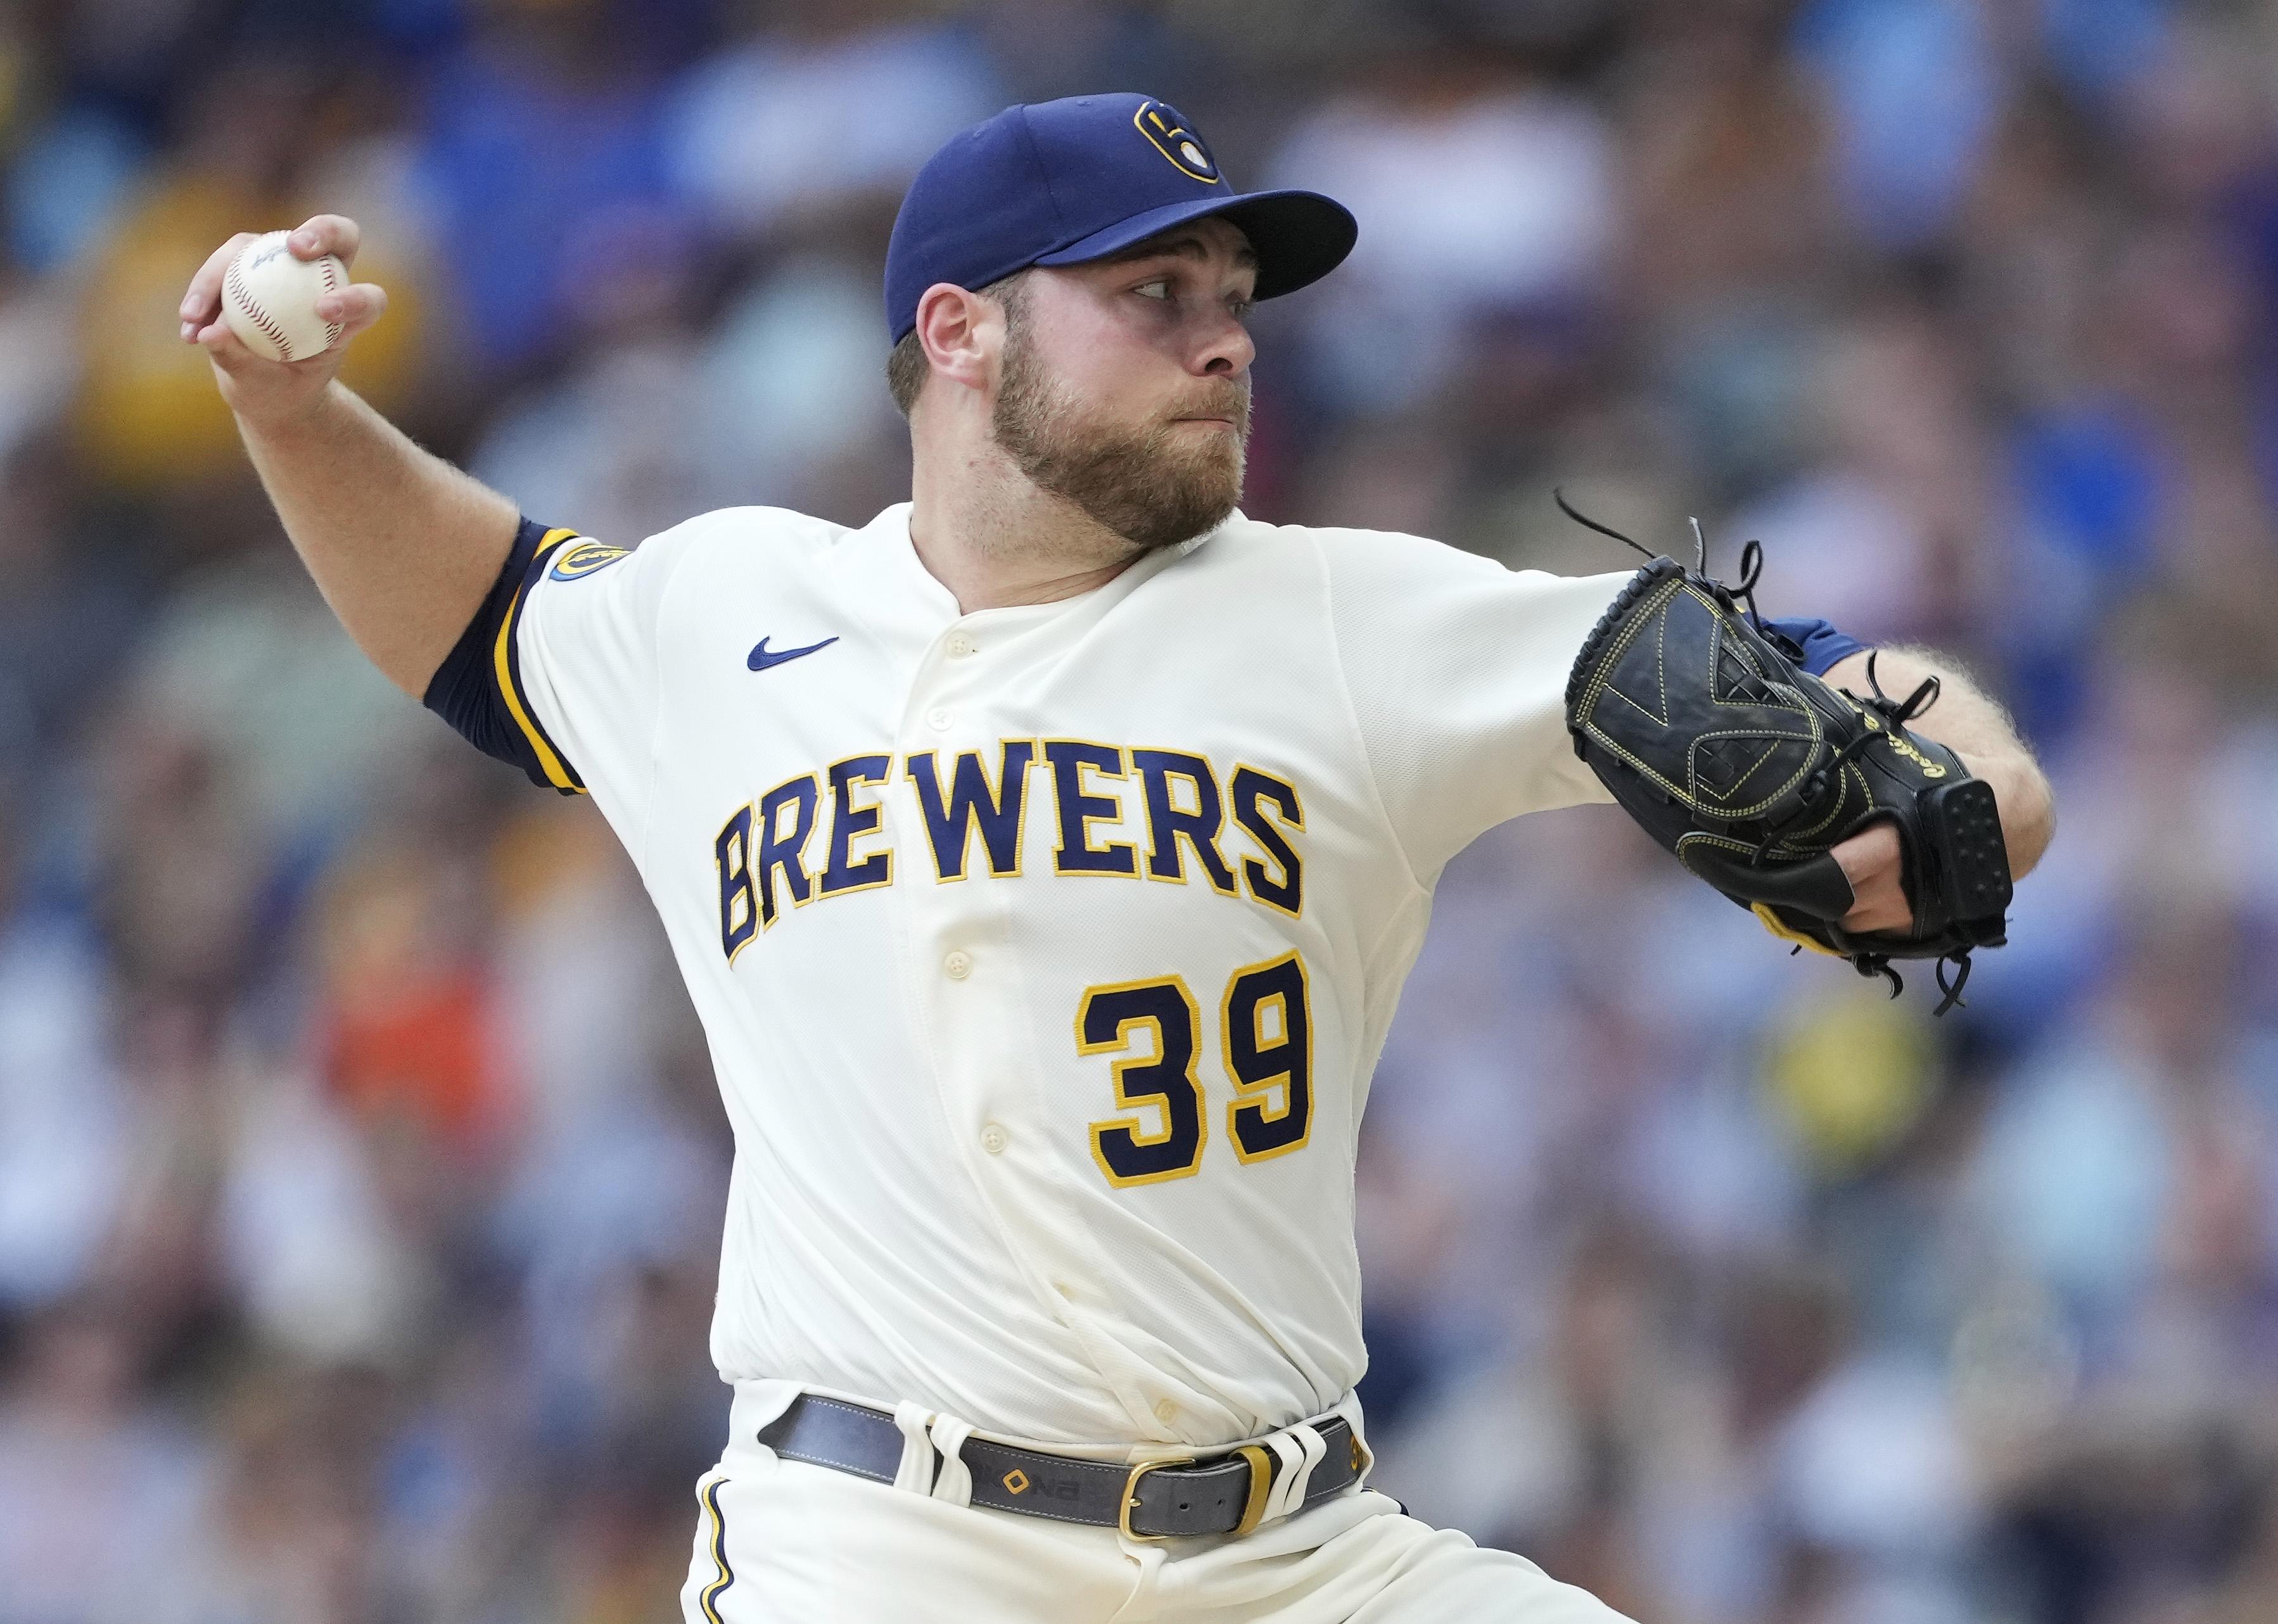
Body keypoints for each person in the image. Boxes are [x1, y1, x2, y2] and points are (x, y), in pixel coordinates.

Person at [179, 92, 2052, 1624]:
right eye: (1153, 293)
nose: (1225, 334)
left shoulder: (1343, 617)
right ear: (959, 329)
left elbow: (1834, 688)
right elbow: (481, 607)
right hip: (887, 1547)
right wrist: (288, 406)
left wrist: (1981, 775)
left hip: (1300, 1557)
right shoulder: (725, 612)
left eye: (1234, 291)